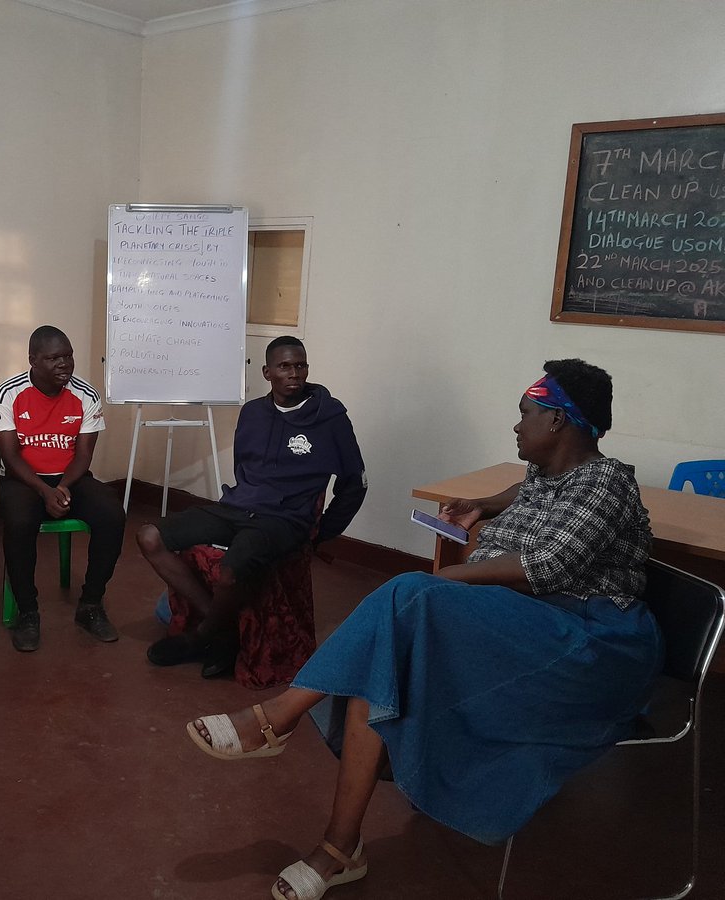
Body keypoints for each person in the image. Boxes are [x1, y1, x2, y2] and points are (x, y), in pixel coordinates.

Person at [184, 359, 660, 900]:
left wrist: (448, 578)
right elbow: (524, 493)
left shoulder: (607, 481)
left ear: (556, 421)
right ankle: (339, 848)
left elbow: (543, 567)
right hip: (525, 622)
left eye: (526, 413)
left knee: (410, 593)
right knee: (381, 666)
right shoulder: (545, 473)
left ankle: (279, 716)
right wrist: (484, 505)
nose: (516, 424)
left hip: (590, 645)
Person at [137, 336, 366, 677]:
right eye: (284, 366)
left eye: (300, 365)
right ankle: (224, 632)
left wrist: (319, 533)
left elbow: (355, 484)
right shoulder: (253, 413)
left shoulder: (330, 418)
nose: (294, 373)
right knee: (149, 536)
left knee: (231, 571)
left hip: (284, 520)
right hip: (238, 507)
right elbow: (243, 469)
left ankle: (200, 636)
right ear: (267, 372)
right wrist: (244, 500)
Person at [0, 325, 125, 652]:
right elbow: (10, 456)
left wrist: (62, 487)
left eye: (68, 356)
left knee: (112, 514)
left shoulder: (86, 395)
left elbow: (83, 455)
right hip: (23, 480)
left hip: (71, 479)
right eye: (53, 358)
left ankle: (90, 604)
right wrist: (44, 491)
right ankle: (28, 612)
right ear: (33, 360)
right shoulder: (8, 393)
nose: (64, 364)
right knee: (19, 521)